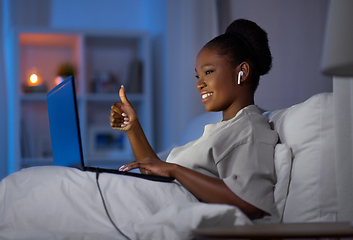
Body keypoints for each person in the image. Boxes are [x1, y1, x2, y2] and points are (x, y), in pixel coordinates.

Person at [109, 19, 278, 220]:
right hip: (150, 207)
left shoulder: (249, 127)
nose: (199, 84)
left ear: (242, 71)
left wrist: (174, 170)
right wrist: (132, 127)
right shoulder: (221, 130)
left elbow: (252, 204)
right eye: (197, 76)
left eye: (208, 72)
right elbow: (157, 176)